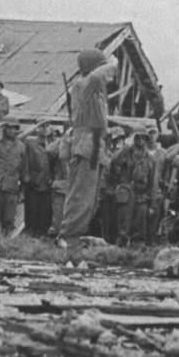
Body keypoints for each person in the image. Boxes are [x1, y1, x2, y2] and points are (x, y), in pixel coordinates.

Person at [57, 47, 117, 248]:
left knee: (91, 198)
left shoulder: (95, 90)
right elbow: (103, 72)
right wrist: (111, 61)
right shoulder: (84, 85)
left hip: (95, 147)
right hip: (86, 146)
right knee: (81, 195)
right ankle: (68, 236)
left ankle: (76, 236)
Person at [0, 119, 25, 233]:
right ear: (4, 129)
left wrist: (22, 191)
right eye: (10, 128)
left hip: (12, 186)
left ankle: (5, 243)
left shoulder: (21, 146)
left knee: (9, 219)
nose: (13, 131)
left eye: (15, 128)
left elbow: (24, 170)